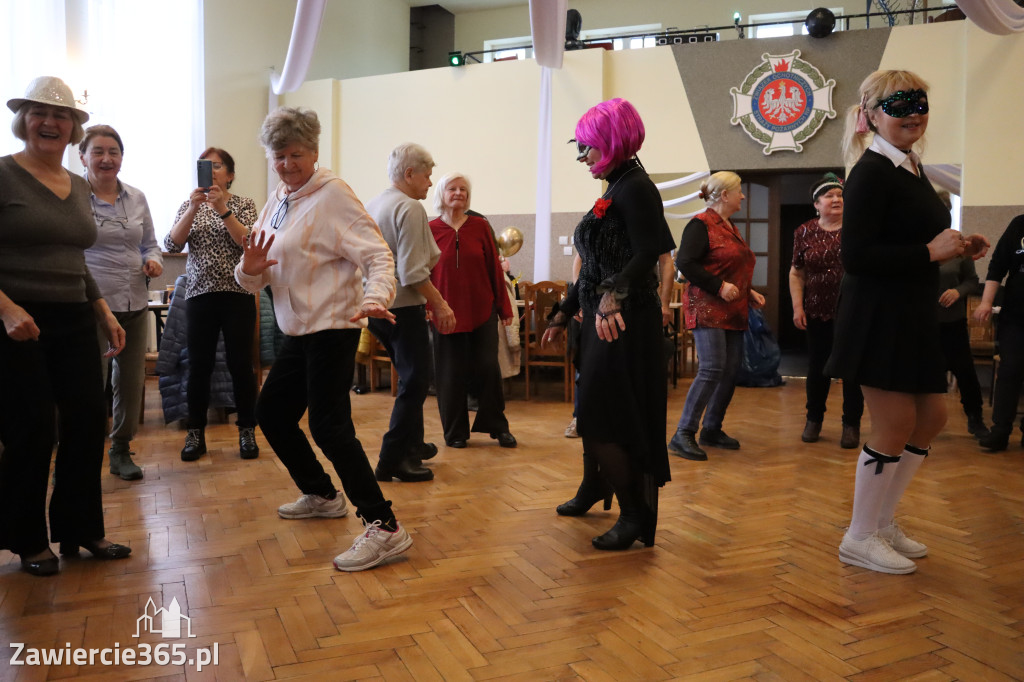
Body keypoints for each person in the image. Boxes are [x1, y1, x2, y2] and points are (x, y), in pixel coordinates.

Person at [236, 106, 412, 572]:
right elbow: (256, 269)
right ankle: (320, 493)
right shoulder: (279, 198)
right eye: (278, 156)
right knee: (270, 413)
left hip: (334, 325)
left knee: (329, 427)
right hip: (296, 329)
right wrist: (248, 270)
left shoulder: (334, 196)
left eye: (295, 154)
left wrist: (376, 298)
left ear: (313, 152)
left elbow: (378, 256)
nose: (287, 164)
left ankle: (384, 526)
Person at [827, 70, 988, 574]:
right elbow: (856, 256)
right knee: (895, 422)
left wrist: (959, 245)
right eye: (899, 104)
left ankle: (881, 518)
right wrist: (926, 251)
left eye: (920, 103)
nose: (914, 113)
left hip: (911, 312)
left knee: (933, 418)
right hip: (878, 315)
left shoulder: (911, 167)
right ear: (872, 114)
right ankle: (859, 534)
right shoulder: (871, 171)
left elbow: (912, 237)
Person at [0, 76, 130, 576]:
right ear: (24, 121)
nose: (50, 122)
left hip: (74, 316)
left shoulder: (77, 185)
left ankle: (81, 529)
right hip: (17, 319)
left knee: (85, 422)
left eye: (61, 116)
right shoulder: (5, 174)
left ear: (74, 126)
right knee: (32, 428)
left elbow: (75, 258)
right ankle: (26, 539)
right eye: (39, 113)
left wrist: (102, 312)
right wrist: (8, 310)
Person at [542, 98, 674, 550]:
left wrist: (611, 300)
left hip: (622, 322)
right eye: (578, 148)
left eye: (587, 147)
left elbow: (646, 256)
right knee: (598, 415)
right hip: (603, 318)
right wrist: (563, 312)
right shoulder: (615, 186)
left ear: (612, 141)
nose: (581, 157)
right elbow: (595, 266)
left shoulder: (636, 187)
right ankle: (598, 488)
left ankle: (633, 514)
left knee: (603, 421)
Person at [365, 143, 455, 482]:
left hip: (378, 308)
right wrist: (440, 304)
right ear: (409, 174)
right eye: (427, 176)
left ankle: (413, 445)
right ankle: (393, 459)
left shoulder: (375, 203)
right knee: (416, 382)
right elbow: (414, 273)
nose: (430, 184)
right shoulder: (410, 208)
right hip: (404, 308)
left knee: (409, 377)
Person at [165, 147, 259, 461]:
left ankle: (247, 430)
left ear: (230, 174)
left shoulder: (244, 204)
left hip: (238, 293)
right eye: (206, 166)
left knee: (240, 365)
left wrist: (222, 209)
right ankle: (195, 433)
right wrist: (193, 209)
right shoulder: (189, 205)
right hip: (199, 295)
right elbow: (172, 244)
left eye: (217, 166)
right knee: (199, 365)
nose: (212, 171)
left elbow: (248, 244)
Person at [81, 124, 163, 480]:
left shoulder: (137, 196)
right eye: (97, 151)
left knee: (130, 384)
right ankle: (78, 456)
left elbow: (150, 242)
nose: (106, 158)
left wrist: (154, 259)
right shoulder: (72, 197)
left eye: (113, 152)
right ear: (83, 156)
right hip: (91, 306)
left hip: (134, 301)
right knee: (87, 386)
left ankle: (120, 450)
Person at [667, 171, 766, 461]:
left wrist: (750, 293)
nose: (743, 196)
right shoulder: (700, 224)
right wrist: (719, 286)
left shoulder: (728, 226)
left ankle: (712, 428)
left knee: (731, 369)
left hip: (734, 308)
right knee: (711, 369)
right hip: (707, 307)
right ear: (725, 195)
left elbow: (732, 268)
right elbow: (685, 262)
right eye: (739, 191)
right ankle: (683, 433)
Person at [428, 173, 516, 449]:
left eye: (463, 189)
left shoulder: (480, 226)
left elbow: (494, 269)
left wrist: (503, 307)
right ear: (441, 194)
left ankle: (497, 426)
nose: (458, 193)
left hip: (482, 310)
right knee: (450, 373)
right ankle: (455, 433)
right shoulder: (429, 229)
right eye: (452, 189)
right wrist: (427, 307)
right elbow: (422, 273)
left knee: (489, 369)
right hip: (445, 314)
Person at [789, 173, 863, 449]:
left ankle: (851, 424)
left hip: (854, 309)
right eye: (829, 196)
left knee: (853, 369)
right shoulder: (804, 231)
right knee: (818, 368)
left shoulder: (857, 228)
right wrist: (797, 306)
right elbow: (796, 273)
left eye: (840, 195)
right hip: (817, 309)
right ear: (816, 204)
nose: (836, 199)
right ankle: (813, 419)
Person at [974, 214, 1024, 451]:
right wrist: (986, 302)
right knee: (1009, 370)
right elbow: (998, 266)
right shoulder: (1019, 224)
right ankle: (1000, 430)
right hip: (1016, 316)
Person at [937, 252, 989, 439]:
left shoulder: (959, 249)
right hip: (922, 325)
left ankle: (976, 418)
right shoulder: (915, 246)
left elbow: (972, 280)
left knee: (965, 372)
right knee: (920, 375)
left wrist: (958, 291)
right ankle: (916, 422)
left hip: (953, 324)